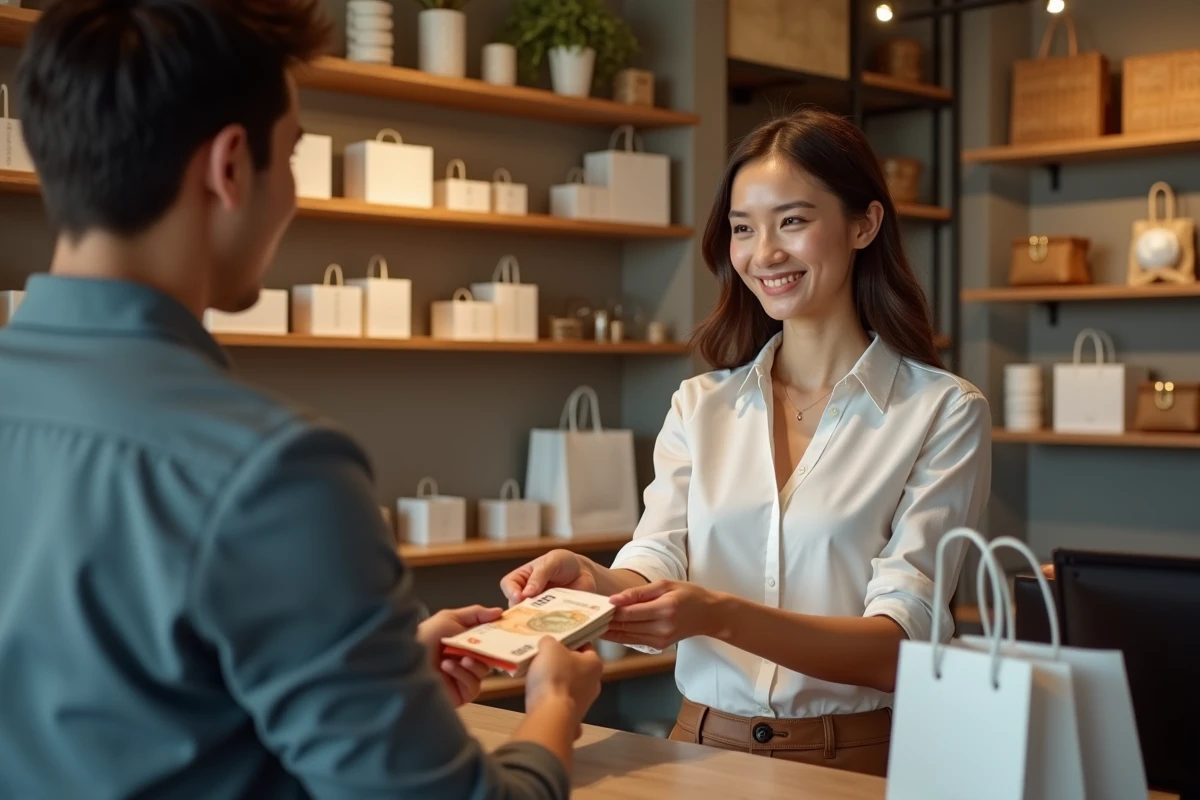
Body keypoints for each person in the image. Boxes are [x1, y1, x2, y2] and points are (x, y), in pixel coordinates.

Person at [0, 2, 601, 798]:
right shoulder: (270, 470)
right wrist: (553, 711)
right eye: (293, 156)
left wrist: (365, 678)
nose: (291, 192)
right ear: (230, 164)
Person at [502, 109, 991, 778]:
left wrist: (718, 616)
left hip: (860, 763)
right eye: (742, 228)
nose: (764, 254)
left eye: (792, 220)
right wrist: (593, 585)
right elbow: (657, 560)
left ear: (863, 224)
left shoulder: (942, 412)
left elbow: (898, 647)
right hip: (693, 749)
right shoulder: (700, 406)